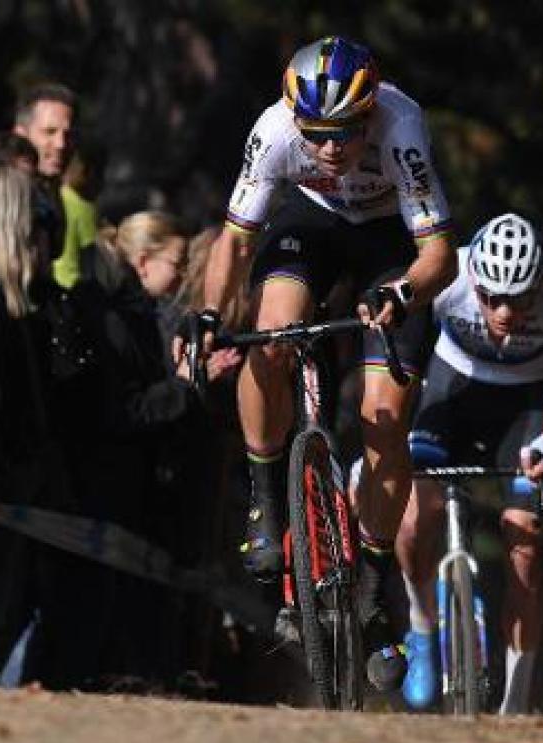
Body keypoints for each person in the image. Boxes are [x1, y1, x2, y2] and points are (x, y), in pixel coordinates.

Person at [193, 36, 455, 693]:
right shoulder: (275, 132)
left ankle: (370, 582)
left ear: (370, 116)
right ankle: (263, 492)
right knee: (270, 333)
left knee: (384, 416)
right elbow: (234, 241)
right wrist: (205, 317)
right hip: (310, 224)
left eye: (344, 132)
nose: (331, 149)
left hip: (393, 241)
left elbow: (439, 258)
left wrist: (401, 296)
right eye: (317, 134)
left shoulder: (403, 127)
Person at [396, 213, 543, 713]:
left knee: (525, 548)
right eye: (491, 298)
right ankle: (422, 629)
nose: (504, 312)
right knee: (417, 515)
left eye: (520, 298)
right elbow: (399, 354)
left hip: (524, 408)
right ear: (474, 282)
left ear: (540, 283)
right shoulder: (448, 276)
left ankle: (515, 703)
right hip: (451, 390)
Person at [12, 83, 95, 290]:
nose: (60, 144)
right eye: (49, 132)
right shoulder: (3, 195)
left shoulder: (52, 191)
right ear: (21, 135)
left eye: (68, 135)